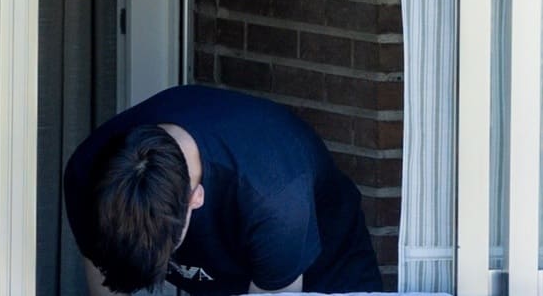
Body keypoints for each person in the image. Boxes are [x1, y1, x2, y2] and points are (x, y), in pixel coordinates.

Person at [64, 85, 382, 295]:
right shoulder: (88, 175)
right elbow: (109, 283)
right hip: (225, 264)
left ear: (196, 197)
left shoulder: (272, 196)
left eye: (166, 248)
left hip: (321, 272)